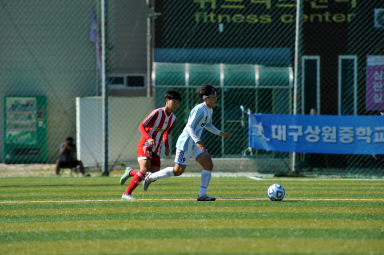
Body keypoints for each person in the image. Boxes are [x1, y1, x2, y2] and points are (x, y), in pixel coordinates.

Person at [143, 84, 231, 201]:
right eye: (213, 97)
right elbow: (189, 126)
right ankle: (150, 177)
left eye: (216, 96)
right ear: (205, 99)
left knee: (208, 165)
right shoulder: (200, 109)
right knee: (177, 171)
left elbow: (208, 125)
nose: (216, 99)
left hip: (195, 142)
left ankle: (202, 195)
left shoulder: (209, 110)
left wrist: (221, 133)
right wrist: (198, 141)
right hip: (186, 142)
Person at [120, 90, 182, 200]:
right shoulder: (157, 112)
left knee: (154, 175)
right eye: (174, 101)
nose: (176, 104)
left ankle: (130, 172)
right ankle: (127, 194)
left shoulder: (173, 118)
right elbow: (141, 126)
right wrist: (149, 138)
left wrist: (167, 146)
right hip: (145, 144)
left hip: (157, 148)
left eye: (178, 102)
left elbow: (166, 133)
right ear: (167, 101)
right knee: (144, 171)